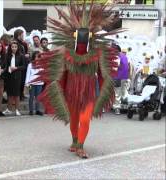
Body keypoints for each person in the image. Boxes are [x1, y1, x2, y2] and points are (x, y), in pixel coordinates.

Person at [34, 1, 119, 158]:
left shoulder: (98, 54)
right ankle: (74, 141)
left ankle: (80, 146)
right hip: (71, 94)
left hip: (88, 94)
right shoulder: (65, 54)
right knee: (74, 120)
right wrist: (57, 93)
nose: (82, 41)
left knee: (85, 120)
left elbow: (105, 76)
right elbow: (58, 77)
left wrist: (104, 95)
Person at [3, 41, 25, 116]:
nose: (14, 48)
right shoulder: (7, 55)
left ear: (17, 47)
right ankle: (9, 109)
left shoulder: (21, 55)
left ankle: (17, 109)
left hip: (17, 76)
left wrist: (16, 68)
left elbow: (23, 66)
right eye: (12, 47)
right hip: (9, 76)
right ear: (10, 47)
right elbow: (5, 65)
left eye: (15, 47)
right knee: (9, 93)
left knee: (16, 94)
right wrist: (8, 69)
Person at [25, 51, 44, 116]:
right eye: (35, 56)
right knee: (31, 97)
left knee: (38, 97)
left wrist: (42, 81)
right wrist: (27, 83)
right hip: (31, 83)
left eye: (38, 56)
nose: (37, 58)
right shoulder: (30, 65)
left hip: (39, 83)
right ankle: (31, 110)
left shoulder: (42, 65)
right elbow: (28, 74)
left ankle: (37, 110)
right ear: (33, 57)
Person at [113, 44, 129, 115]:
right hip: (125, 77)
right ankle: (125, 107)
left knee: (117, 93)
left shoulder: (116, 56)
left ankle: (117, 108)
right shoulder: (124, 56)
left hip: (118, 77)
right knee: (124, 92)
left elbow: (116, 66)